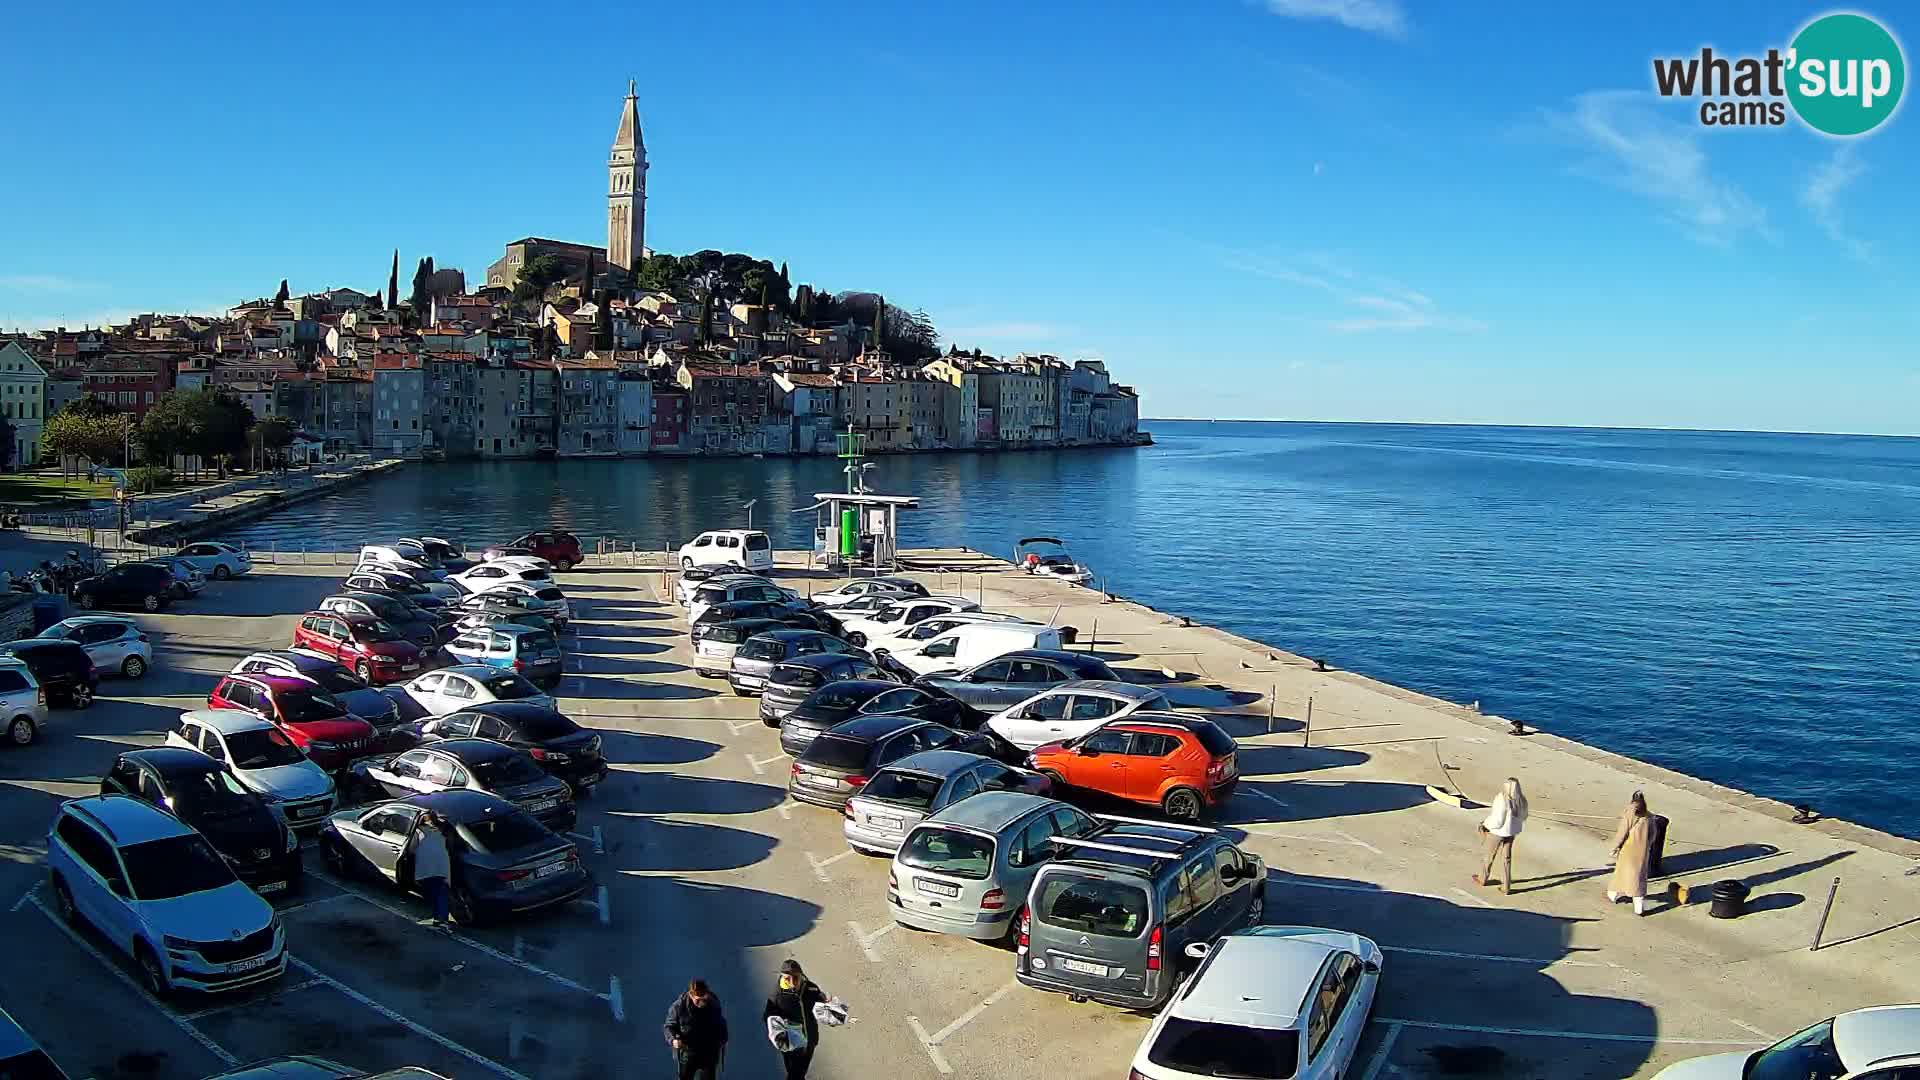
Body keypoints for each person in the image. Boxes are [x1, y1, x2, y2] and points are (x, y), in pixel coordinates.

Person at [763, 959, 830, 1079]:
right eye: (788, 978)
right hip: (791, 1043)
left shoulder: (811, 989)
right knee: (795, 1074)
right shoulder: (777, 996)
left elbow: (820, 1003)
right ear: (783, 977)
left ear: (801, 975)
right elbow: (768, 1017)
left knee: (800, 1072)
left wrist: (826, 1004)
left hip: (810, 1040)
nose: (792, 982)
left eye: (795, 978)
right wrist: (779, 1033)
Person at [664, 979, 729, 1080]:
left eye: (704, 999)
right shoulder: (679, 1006)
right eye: (697, 1000)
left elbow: (720, 1023)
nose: (701, 1003)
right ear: (691, 995)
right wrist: (673, 1040)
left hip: (709, 1051)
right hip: (688, 1051)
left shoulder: (713, 1003)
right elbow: (669, 1026)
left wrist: (723, 1039)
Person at [1472, 777, 1527, 893]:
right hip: (1511, 832)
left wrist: (1485, 824)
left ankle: (1482, 879)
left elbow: (1497, 820)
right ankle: (1506, 887)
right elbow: (1523, 816)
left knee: (1489, 855)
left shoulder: (1501, 798)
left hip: (1497, 833)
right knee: (1506, 859)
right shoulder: (1521, 799)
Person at [1607, 790, 1656, 915]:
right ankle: (1638, 908)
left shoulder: (1630, 812)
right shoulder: (1649, 816)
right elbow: (1653, 835)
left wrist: (1614, 847)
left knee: (1621, 874)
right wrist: (1646, 845)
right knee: (1638, 878)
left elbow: (1622, 832)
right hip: (1642, 852)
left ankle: (1613, 895)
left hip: (1628, 850)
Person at [409, 812, 453, 928]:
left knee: (433, 892)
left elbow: (412, 848)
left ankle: (439, 918)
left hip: (426, 866)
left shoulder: (419, 831)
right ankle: (442, 919)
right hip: (442, 865)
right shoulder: (443, 831)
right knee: (442, 892)